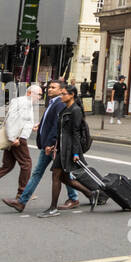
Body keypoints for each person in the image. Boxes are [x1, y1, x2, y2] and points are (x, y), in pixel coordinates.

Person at [4, 79, 80, 212]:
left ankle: (78, 197)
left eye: (53, 87)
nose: (49, 89)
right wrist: (41, 125)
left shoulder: (59, 104)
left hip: (52, 146)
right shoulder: (53, 102)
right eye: (49, 87)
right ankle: (21, 202)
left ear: (61, 90)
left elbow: (57, 126)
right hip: (48, 145)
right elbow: (49, 121)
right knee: (48, 173)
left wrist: (50, 144)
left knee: (61, 174)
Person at [37, 85, 97, 218]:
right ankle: (91, 194)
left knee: (56, 176)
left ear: (72, 95)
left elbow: (75, 133)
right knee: (64, 178)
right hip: (61, 148)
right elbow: (61, 132)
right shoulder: (65, 109)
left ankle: (53, 208)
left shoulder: (75, 110)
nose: (61, 96)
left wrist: (76, 153)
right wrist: (52, 145)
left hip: (69, 150)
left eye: (64, 94)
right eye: (62, 94)